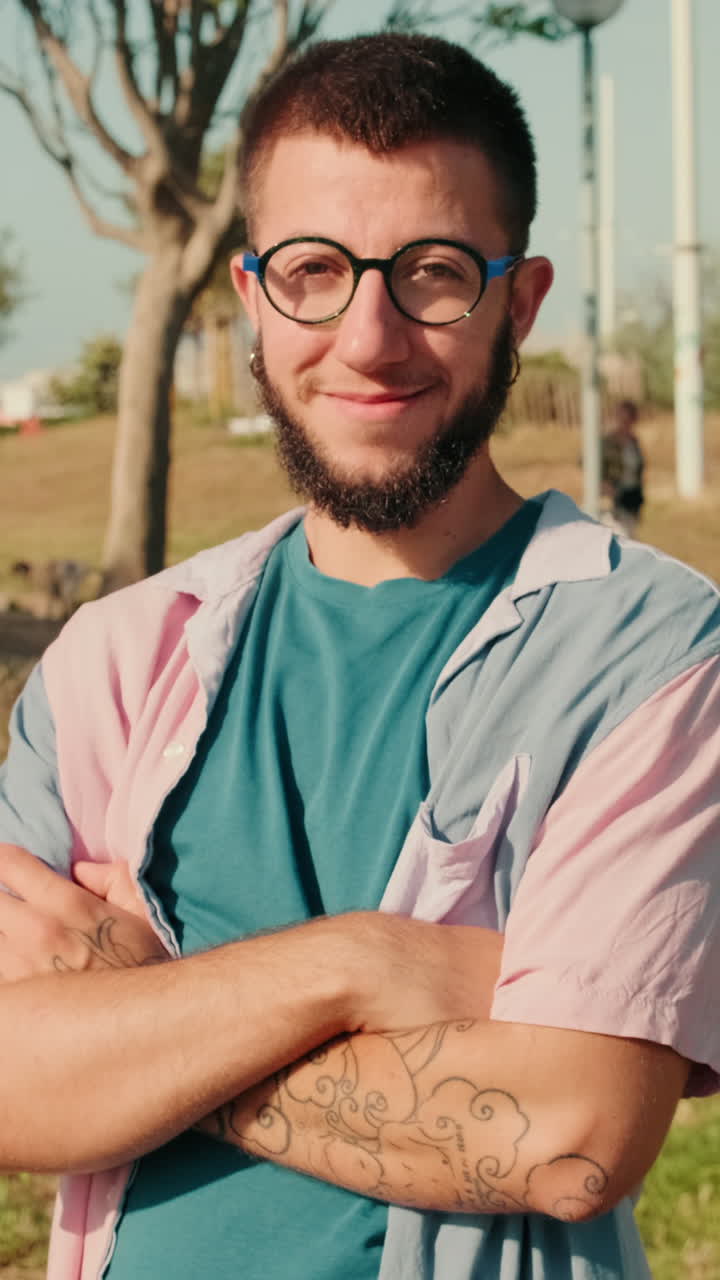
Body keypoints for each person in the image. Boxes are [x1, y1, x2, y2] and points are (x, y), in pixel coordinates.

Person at [0, 32, 718, 1280]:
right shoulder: (112, 660)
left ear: (522, 299)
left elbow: (570, 1136)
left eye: (434, 273)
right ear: (249, 294)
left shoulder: (653, 654)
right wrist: (361, 963)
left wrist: (148, 1020)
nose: (369, 336)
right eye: (314, 271)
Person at [601, 398, 645, 536]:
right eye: (622, 418)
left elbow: (638, 471)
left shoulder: (634, 441)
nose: (625, 423)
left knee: (630, 536)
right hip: (613, 497)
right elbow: (586, 462)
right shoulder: (607, 441)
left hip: (631, 496)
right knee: (619, 535)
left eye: (628, 419)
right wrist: (603, 482)